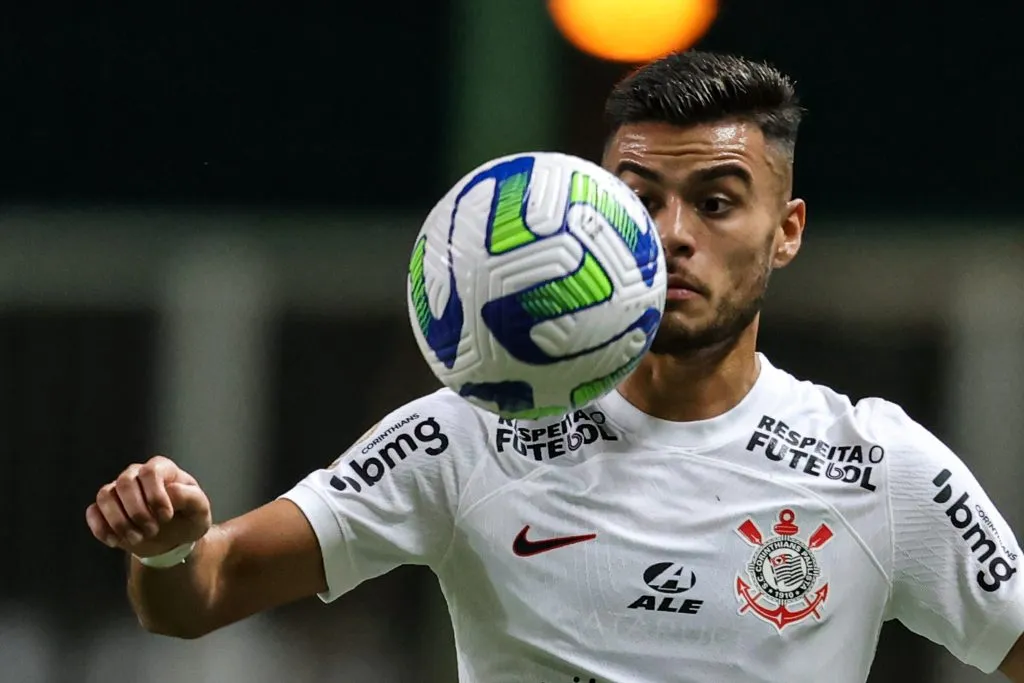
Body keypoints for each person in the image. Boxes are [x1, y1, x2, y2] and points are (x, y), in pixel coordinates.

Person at [86, 50, 1024, 682]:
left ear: (786, 232)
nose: (673, 234)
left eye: (716, 202)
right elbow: (201, 593)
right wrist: (167, 542)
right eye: (641, 197)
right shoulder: (471, 434)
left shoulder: (878, 468)